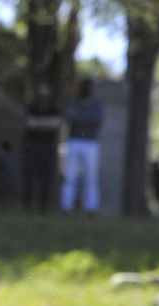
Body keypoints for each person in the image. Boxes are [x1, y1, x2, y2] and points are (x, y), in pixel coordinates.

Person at [60, 78, 104, 215]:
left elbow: (97, 121)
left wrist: (80, 119)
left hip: (91, 143)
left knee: (90, 177)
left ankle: (90, 207)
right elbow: (69, 117)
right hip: (74, 141)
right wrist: (83, 119)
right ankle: (66, 206)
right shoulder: (73, 103)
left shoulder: (96, 105)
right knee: (70, 175)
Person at [22, 82, 62, 213]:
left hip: (48, 148)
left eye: (45, 93)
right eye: (41, 92)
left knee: (46, 178)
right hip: (32, 147)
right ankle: (27, 206)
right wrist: (46, 123)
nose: (43, 96)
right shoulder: (32, 107)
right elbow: (30, 123)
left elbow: (56, 124)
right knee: (29, 177)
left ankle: (43, 207)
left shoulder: (53, 108)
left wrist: (39, 123)